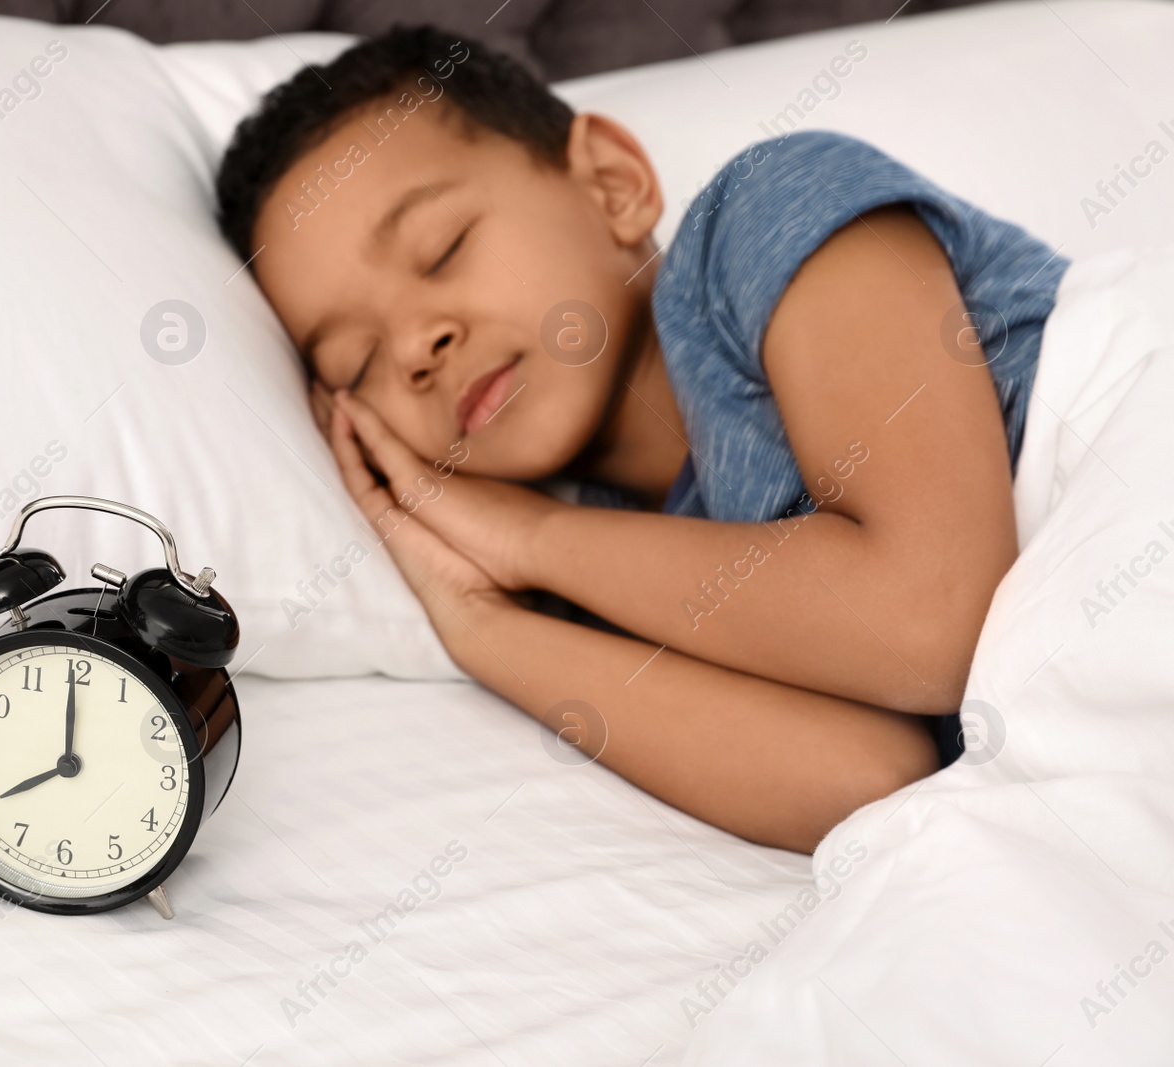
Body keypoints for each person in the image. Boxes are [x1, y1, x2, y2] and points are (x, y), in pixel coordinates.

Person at [214, 27, 1066, 852]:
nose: (412, 348)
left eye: (442, 249)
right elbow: (874, 777)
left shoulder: (767, 215)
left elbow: (936, 621)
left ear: (612, 184)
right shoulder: (603, 583)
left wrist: (528, 537)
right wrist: (476, 624)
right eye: (355, 362)